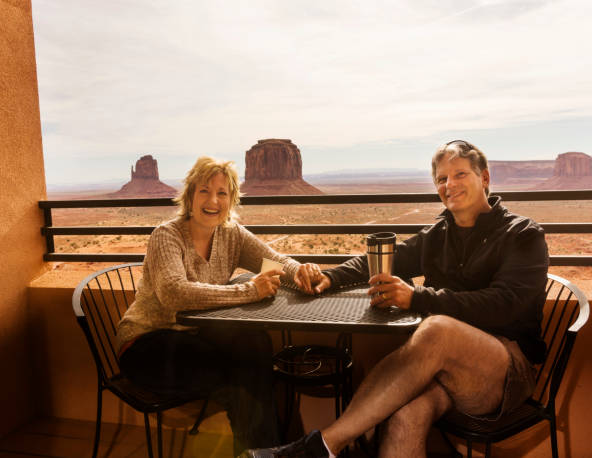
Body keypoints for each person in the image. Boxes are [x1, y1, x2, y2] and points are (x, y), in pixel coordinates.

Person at [243, 140, 549, 458]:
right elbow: (383, 260)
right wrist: (330, 276)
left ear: (484, 178)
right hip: (440, 369)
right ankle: (325, 447)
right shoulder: (439, 234)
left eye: (460, 174)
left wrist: (418, 298)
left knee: (436, 330)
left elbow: (505, 305)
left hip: (505, 371)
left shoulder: (522, 234)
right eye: (442, 179)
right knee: (406, 415)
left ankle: (323, 447)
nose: (450, 185)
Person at [116, 155, 323, 456]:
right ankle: (273, 450)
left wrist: (299, 269)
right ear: (189, 196)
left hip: (192, 337)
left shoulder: (231, 235)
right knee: (241, 375)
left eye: (222, 193)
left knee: (255, 345)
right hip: (146, 344)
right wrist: (250, 291)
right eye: (204, 190)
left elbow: (272, 260)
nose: (213, 200)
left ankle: (270, 452)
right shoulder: (167, 236)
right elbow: (174, 294)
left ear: (231, 200)